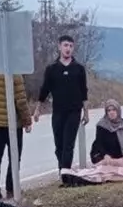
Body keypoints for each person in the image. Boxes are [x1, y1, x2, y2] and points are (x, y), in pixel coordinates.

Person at [35, 35, 88, 171]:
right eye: (65, 45)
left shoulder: (79, 69)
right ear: (59, 47)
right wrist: (37, 109)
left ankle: (65, 173)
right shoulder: (52, 69)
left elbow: (84, 91)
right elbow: (44, 90)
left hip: (74, 111)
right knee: (59, 145)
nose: (68, 49)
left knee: (68, 144)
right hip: (58, 111)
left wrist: (86, 112)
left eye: (70, 46)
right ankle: (62, 169)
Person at [0, 72, 32, 200]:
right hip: (14, 123)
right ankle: (11, 188)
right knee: (14, 158)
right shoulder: (14, 73)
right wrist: (27, 120)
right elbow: (21, 100)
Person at [90, 99, 123, 163]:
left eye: (114, 110)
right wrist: (105, 155)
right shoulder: (101, 125)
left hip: (117, 154)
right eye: (109, 110)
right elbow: (99, 144)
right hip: (100, 154)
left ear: (118, 111)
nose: (111, 112)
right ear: (106, 112)